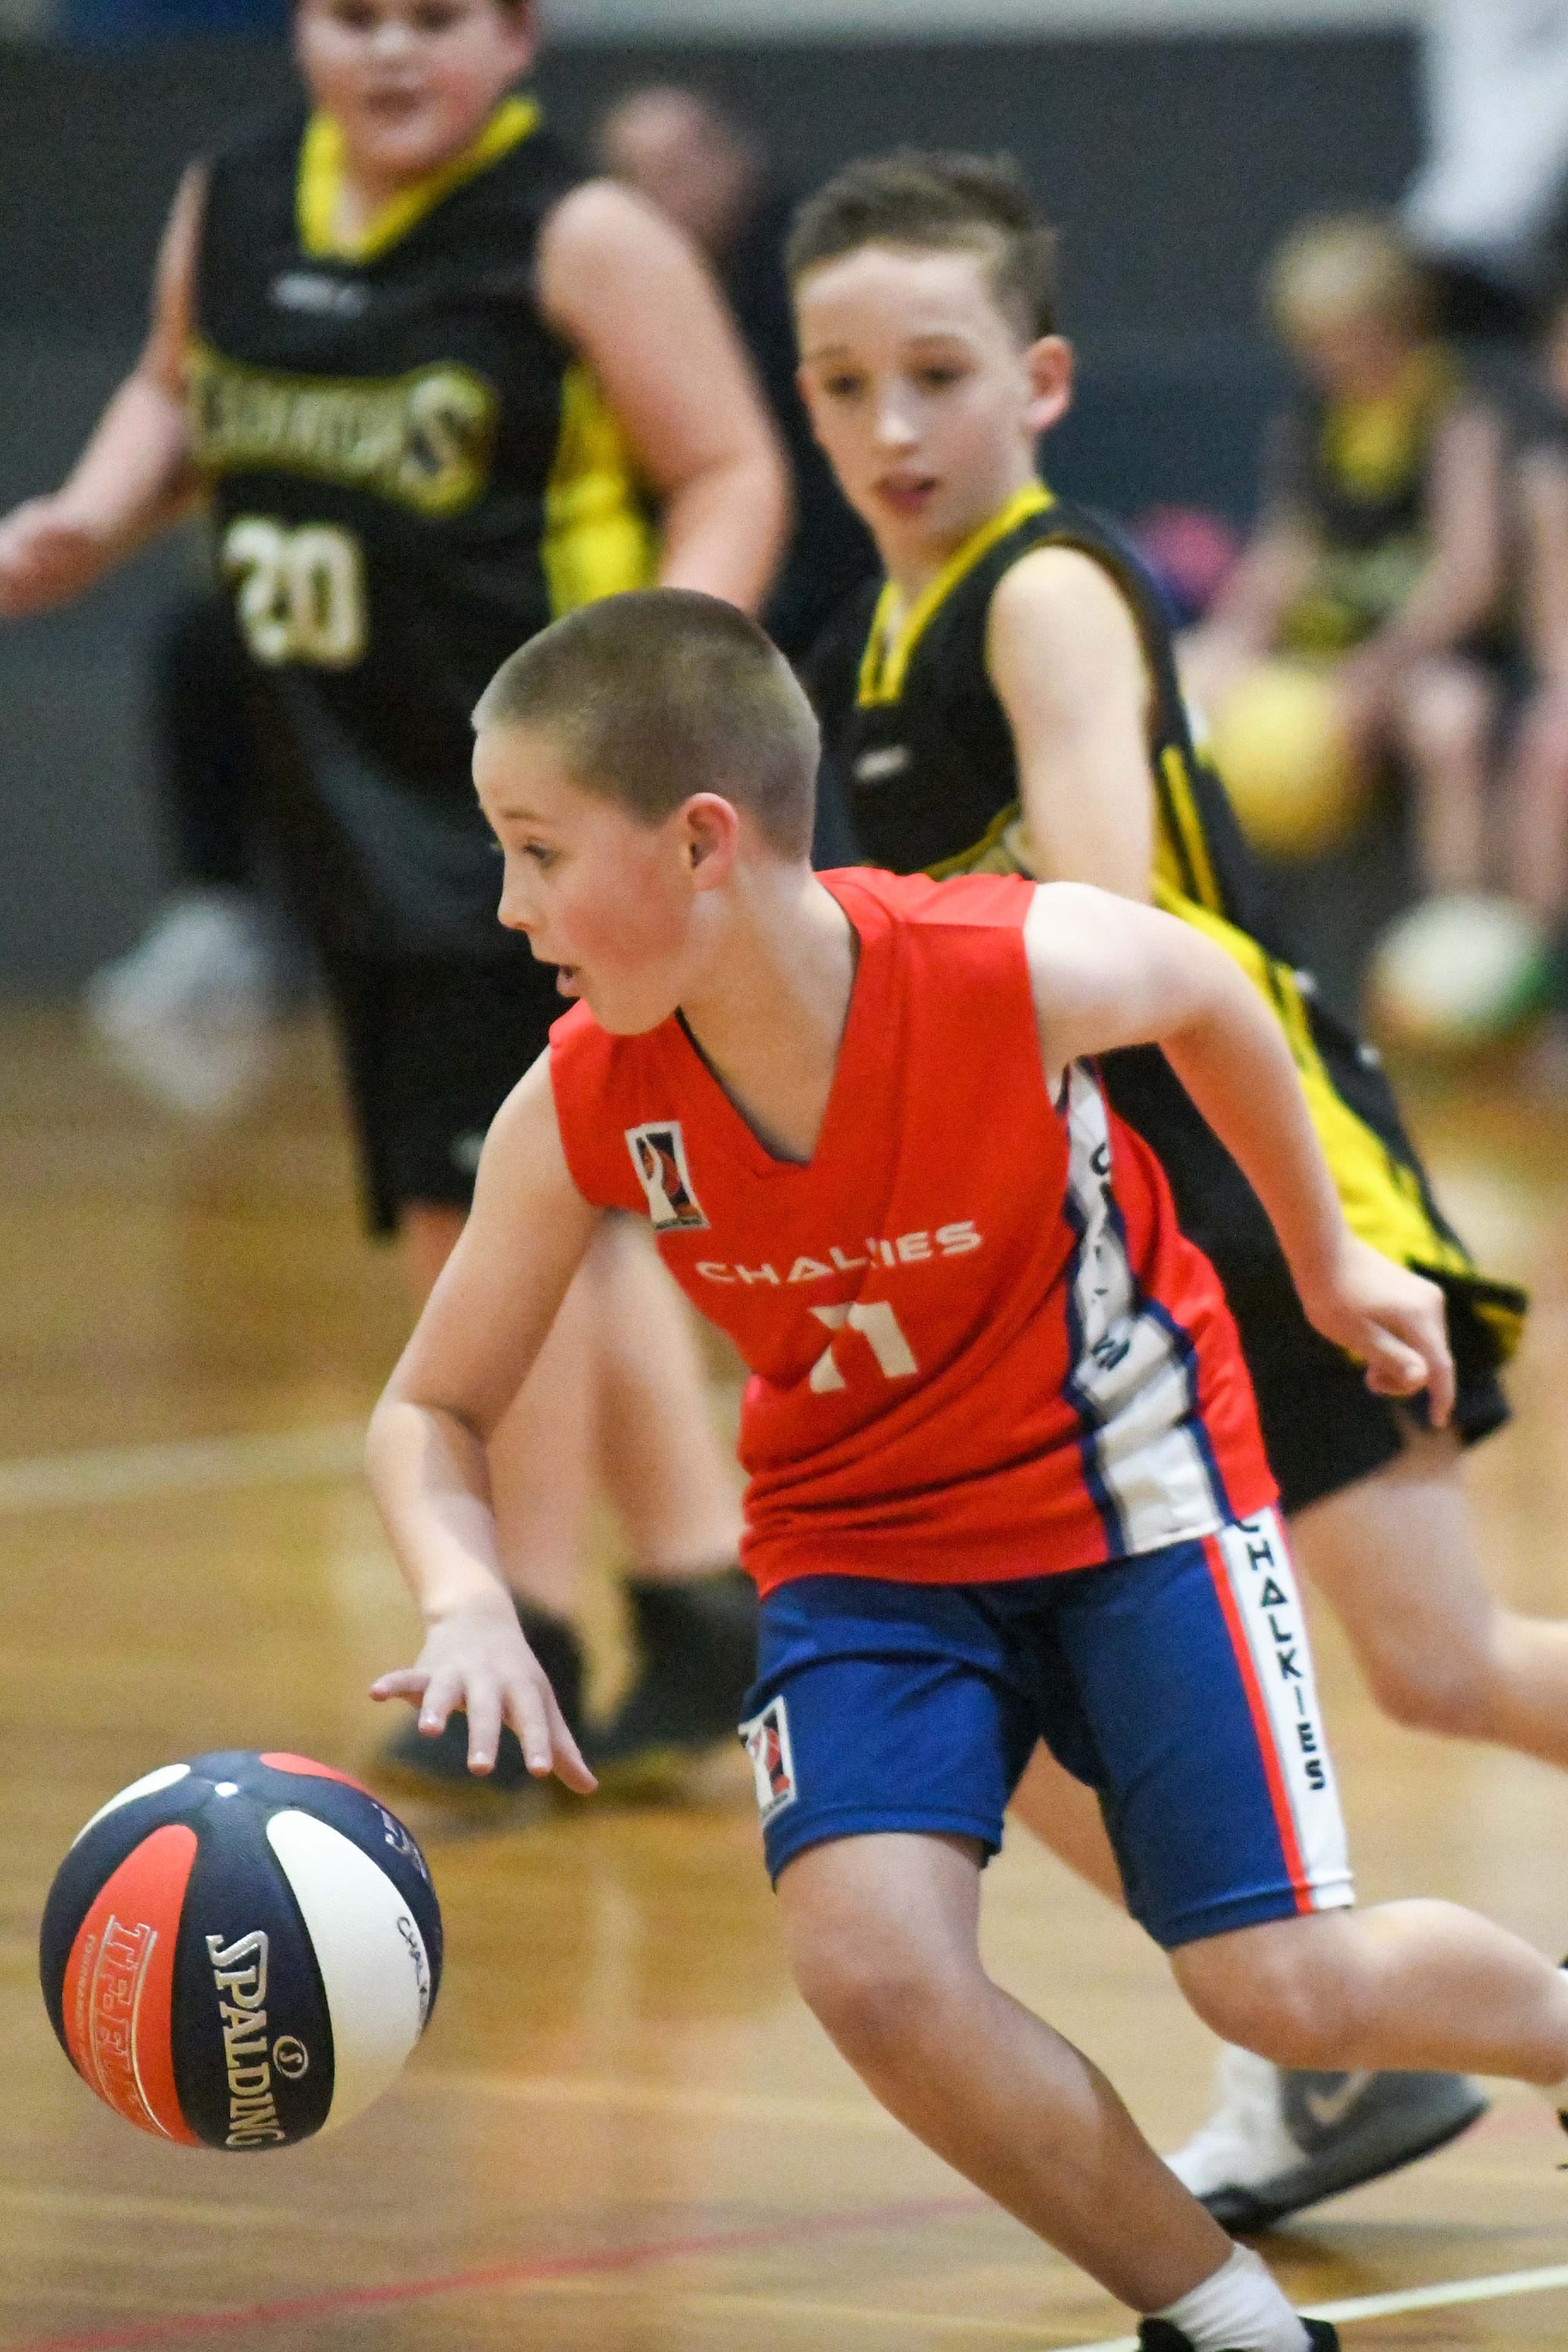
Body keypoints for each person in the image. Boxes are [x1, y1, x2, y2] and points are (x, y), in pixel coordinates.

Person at [364, 586, 1568, 2352]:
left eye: (538, 850)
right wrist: (468, 1596)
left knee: (1281, 1989)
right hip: (861, 1552)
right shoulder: (585, 1098)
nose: (507, 904)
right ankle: (1227, 2321)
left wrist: (1325, 1263)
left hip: (1132, 1495)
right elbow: (429, 1411)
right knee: (872, 1969)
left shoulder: (994, 966)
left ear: (702, 844)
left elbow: (1211, 987)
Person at [786, 149, 1568, 2230]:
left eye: (934, 376)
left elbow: (1103, 913)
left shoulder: (1044, 590)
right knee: (1026, 1712)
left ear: (1035, 383)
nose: (889, 427)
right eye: (842, 383)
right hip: (1085, 1242)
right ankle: (1314, 2062)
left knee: (1446, 1665)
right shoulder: (879, 626)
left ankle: (1354, 2034)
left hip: (1238, 1175)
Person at [0, 0, 789, 1786]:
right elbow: (166, 382)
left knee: (484, 1222)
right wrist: (86, 513)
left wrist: (658, 701)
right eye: (355, 14)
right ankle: (692, 1605)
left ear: (515, 37)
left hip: (517, 813)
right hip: (341, 784)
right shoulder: (236, 200)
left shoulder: (579, 232)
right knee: (569, 1208)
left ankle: (536, 1643)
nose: (391, 52)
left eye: (436, 16)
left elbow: (730, 464)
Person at [1183, 213, 1507, 911]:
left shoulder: (1454, 415)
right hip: (1323, 652)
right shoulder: (1311, 420)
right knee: (1185, 679)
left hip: (1420, 656)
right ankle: (1190, 913)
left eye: (1344, 340)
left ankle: (1460, 932)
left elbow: (1468, 577)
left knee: (1451, 722)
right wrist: (1232, 637)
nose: (1327, 360)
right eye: (1314, 344)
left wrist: (1379, 671)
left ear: (1396, 325)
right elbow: (1285, 553)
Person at [594, 84, 877, 663]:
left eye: (675, 169)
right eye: (632, 178)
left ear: (733, 161)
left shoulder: (816, 279)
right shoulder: (614, 293)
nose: (655, 196)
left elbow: (832, 486)